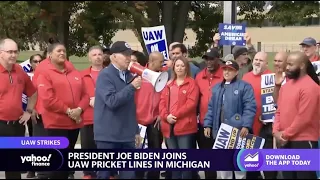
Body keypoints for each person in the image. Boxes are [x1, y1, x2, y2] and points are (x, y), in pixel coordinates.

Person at [36, 42, 89, 179]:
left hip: (74, 124)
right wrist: (69, 111)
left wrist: (79, 109)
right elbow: (48, 99)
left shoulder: (74, 72)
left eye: (64, 51)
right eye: (58, 51)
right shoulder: (45, 73)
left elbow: (85, 95)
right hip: (56, 124)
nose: (62, 53)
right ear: (49, 55)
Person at [94, 41, 141, 179]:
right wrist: (131, 87)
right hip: (108, 136)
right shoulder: (105, 75)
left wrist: (136, 130)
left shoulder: (129, 75)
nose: (128, 58)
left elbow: (130, 106)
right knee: (104, 174)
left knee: (129, 175)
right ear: (114, 57)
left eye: (129, 54)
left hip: (126, 135)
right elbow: (112, 101)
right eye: (124, 54)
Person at [203, 60, 256, 179]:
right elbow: (211, 108)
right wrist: (208, 124)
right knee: (224, 166)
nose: (227, 72)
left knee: (238, 165)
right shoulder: (217, 88)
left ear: (236, 72)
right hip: (221, 133)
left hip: (238, 132)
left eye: (230, 69)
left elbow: (250, 107)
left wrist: (246, 125)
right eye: (225, 69)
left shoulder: (244, 87)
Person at [273, 52, 320, 179]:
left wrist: (284, 134)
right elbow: (278, 111)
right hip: (285, 141)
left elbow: (304, 118)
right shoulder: (286, 87)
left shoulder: (311, 87)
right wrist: (275, 131)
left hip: (304, 142)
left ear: (302, 65)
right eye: (286, 64)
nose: (286, 67)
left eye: (290, 64)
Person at [0, 38, 37, 179]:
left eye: (15, 52)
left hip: (16, 125)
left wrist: (28, 111)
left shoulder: (20, 71)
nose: (13, 55)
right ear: (1, 53)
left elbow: (33, 93)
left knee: (13, 168)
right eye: (10, 52)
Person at [159, 56, 200, 179]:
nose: (180, 68)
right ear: (173, 67)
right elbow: (161, 102)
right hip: (168, 126)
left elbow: (191, 104)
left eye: (182, 65)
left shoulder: (192, 83)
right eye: (177, 65)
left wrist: (174, 116)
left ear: (187, 67)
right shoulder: (168, 84)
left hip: (185, 127)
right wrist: (166, 117)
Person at [242, 52, 276, 179]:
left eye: (261, 60)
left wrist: (269, 115)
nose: (257, 62)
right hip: (249, 126)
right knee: (251, 162)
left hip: (266, 126)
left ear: (267, 64)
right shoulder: (245, 77)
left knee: (268, 163)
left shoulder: (271, 77)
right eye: (256, 59)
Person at [195, 48, 224, 179]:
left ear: (218, 59)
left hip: (222, 125)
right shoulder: (199, 76)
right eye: (206, 59)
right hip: (204, 123)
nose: (209, 62)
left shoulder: (225, 74)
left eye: (212, 59)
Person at [135, 51, 164, 179]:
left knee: (155, 153)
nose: (162, 64)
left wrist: (161, 114)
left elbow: (165, 99)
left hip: (155, 121)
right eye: (160, 61)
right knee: (138, 154)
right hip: (139, 122)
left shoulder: (163, 76)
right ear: (152, 62)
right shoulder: (139, 75)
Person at [80, 45, 104, 179]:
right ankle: (88, 173)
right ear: (89, 58)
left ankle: (107, 172)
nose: (98, 57)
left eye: (100, 54)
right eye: (94, 55)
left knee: (105, 148)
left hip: (106, 119)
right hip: (88, 117)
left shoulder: (109, 73)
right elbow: (77, 94)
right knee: (87, 147)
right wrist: (88, 100)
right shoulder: (82, 75)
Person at [21, 54, 43, 179]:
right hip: (30, 113)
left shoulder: (46, 75)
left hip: (45, 113)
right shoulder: (27, 76)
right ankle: (31, 168)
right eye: (35, 61)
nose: (38, 64)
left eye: (40, 61)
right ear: (31, 63)